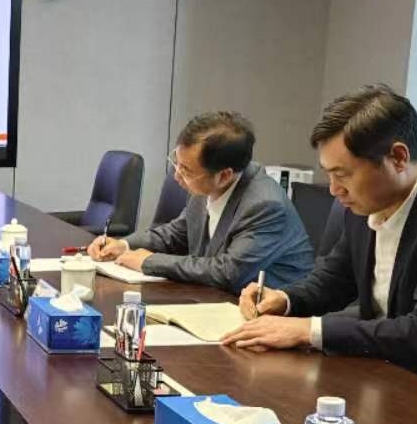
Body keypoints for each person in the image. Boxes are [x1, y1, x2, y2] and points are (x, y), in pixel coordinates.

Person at [222, 85, 417, 409]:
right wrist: (285, 300)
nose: (334, 190)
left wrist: (308, 330)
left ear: (398, 158)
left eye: (342, 174)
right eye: (329, 175)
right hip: (389, 377)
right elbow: (335, 278)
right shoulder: (370, 200)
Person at [87, 111, 313, 294]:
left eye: (186, 170)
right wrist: (124, 245)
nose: (177, 176)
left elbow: (227, 272)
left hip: (266, 315)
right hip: (213, 300)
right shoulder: (206, 183)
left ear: (224, 175)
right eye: (176, 163)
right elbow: (176, 234)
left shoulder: (265, 205)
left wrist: (150, 262)